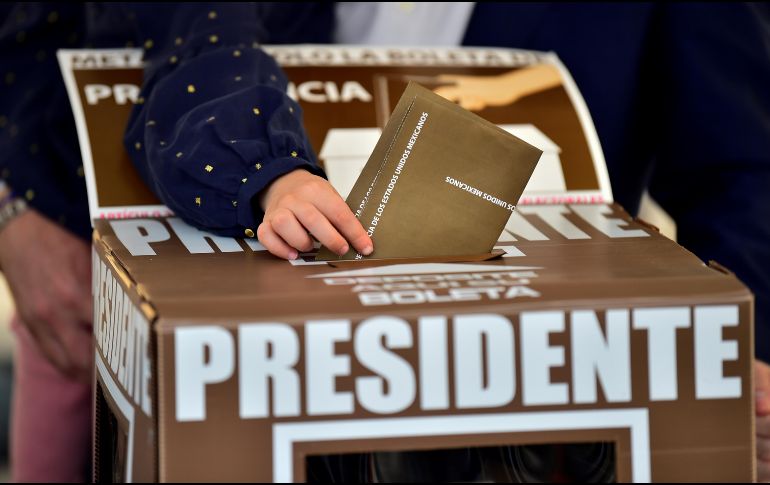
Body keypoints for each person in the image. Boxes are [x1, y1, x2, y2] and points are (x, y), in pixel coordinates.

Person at [0, 2, 768, 481]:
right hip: (219, 362)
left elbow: (743, 164)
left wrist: (741, 351)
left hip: (546, 421)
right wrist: (12, 203)